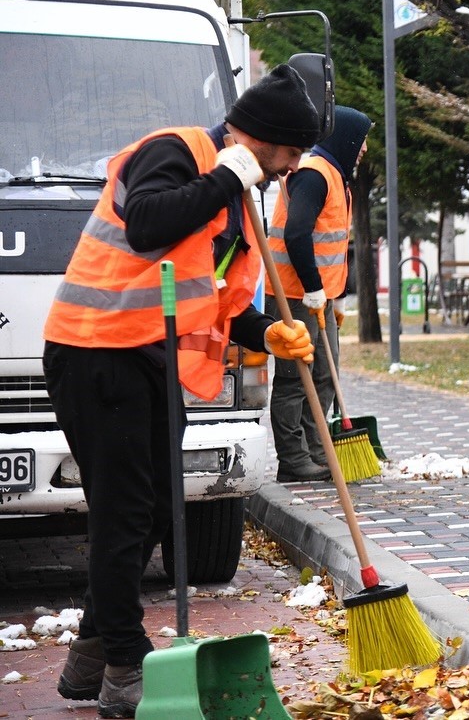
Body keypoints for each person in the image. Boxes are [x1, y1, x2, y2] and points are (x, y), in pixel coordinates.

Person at [42, 65, 319, 717]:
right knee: (124, 510)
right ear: (267, 140)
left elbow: (215, 295)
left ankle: (89, 650)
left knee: (162, 507)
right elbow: (146, 224)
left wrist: (266, 331)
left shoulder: (240, 198)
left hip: (148, 356)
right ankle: (124, 664)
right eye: (291, 151)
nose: (294, 166)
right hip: (94, 349)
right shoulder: (174, 151)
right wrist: (230, 174)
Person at [265, 105, 373, 479]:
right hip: (292, 294)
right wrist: (313, 288)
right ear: (345, 138)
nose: (363, 150)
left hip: (318, 297)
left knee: (326, 375)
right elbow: (296, 234)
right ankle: (293, 460)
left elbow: (332, 244)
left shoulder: (337, 178)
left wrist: (334, 296)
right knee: (297, 377)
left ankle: (317, 451)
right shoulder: (313, 175)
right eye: (361, 141)